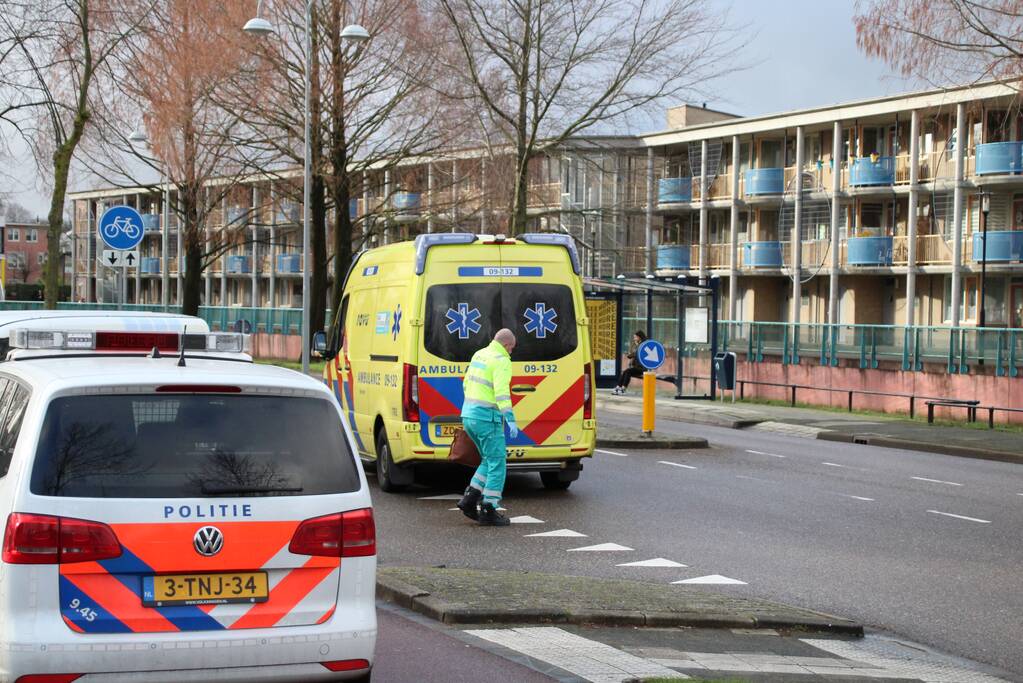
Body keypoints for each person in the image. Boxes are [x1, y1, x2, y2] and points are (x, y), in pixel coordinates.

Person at [456, 328, 518, 526]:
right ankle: (488, 508)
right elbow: (501, 393)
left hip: (469, 415)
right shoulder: (501, 360)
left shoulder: (479, 354)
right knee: (498, 463)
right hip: (487, 418)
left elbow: (466, 384)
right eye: (511, 349)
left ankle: (469, 499)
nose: (511, 353)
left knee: (488, 459)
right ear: (507, 345)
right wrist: (510, 418)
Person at [612, 330, 647, 395]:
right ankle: (619, 387)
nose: (634, 339)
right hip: (638, 367)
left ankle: (622, 389)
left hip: (642, 368)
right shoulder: (640, 344)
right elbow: (635, 354)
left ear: (639, 337)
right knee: (626, 372)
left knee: (628, 371)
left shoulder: (642, 345)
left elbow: (636, 354)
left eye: (635, 337)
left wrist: (630, 354)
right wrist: (631, 354)